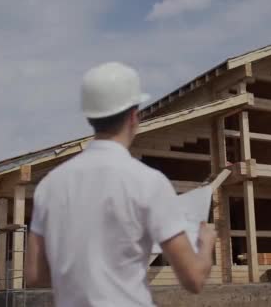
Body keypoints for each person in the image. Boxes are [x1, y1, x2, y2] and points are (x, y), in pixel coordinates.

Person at [25, 62, 217, 307]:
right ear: (134, 117)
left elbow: (34, 274)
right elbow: (194, 279)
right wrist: (206, 242)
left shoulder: (50, 186)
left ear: (90, 117)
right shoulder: (148, 182)